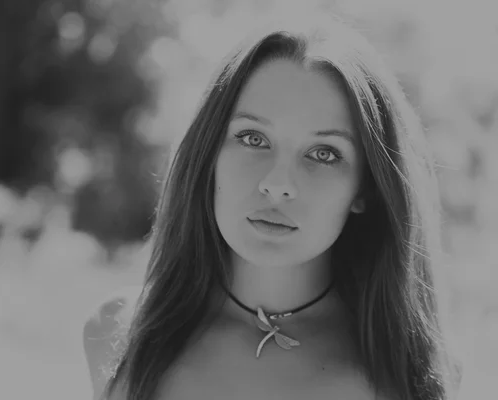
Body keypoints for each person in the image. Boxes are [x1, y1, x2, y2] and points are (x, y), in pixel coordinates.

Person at [83, 11, 461, 400]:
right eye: (252, 138)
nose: (277, 184)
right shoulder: (116, 335)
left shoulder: (406, 373)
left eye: (324, 154)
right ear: (209, 155)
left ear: (365, 189)